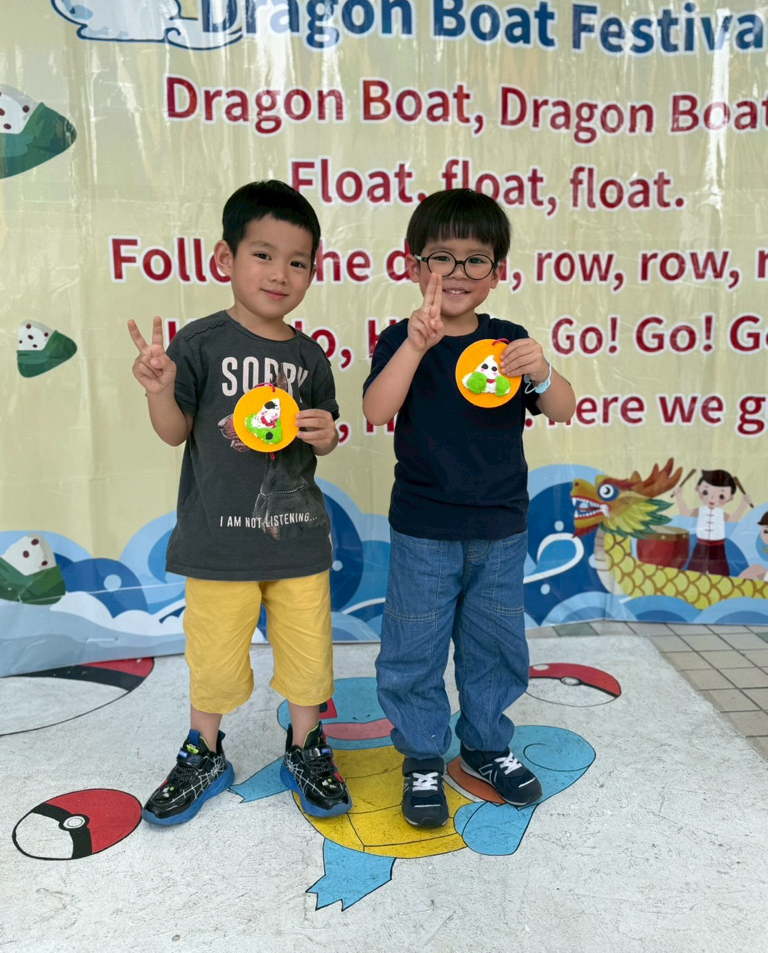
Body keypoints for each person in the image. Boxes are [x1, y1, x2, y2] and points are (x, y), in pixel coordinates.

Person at [128, 180, 351, 825]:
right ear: (225, 258)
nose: (280, 273)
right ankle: (204, 751)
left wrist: (328, 435)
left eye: (298, 261)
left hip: (297, 538)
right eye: (263, 254)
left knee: (308, 656)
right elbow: (174, 432)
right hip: (217, 542)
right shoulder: (198, 344)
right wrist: (159, 390)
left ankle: (306, 744)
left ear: (312, 271)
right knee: (214, 660)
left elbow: (326, 433)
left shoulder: (309, 356)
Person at [362, 188, 576, 828]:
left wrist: (542, 371)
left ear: (497, 272)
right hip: (424, 529)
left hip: (501, 530)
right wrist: (415, 346)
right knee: (414, 648)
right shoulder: (401, 338)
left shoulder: (509, 342)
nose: (457, 273)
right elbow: (375, 410)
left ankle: (485, 746)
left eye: (475, 260)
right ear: (413, 266)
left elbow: (562, 408)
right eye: (442, 257)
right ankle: (423, 755)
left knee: (495, 646)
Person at [672, 470, 752, 576]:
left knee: (720, 573)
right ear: (698, 489)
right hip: (701, 545)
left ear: (730, 497)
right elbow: (685, 513)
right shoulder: (701, 510)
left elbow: (733, 519)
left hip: (718, 546)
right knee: (694, 572)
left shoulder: (721, 513)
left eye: (721, 496)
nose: (712, 498)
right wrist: (679, 497)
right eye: (706, 492)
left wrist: (743, 504)